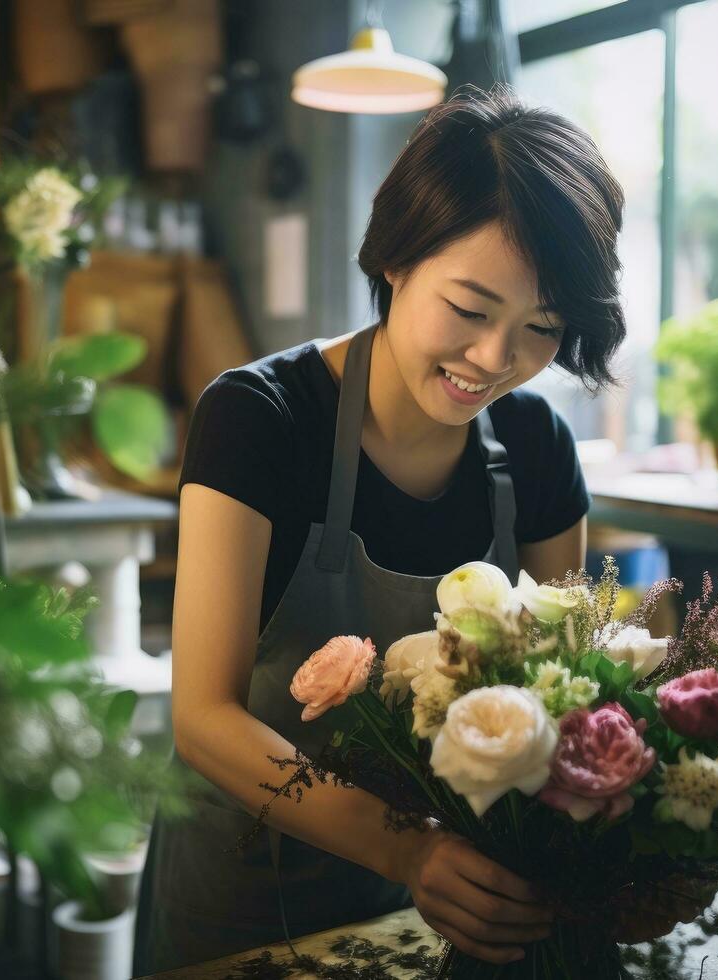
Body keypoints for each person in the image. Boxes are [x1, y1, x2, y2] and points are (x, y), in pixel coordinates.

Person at [134, 85, 663, 975]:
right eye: (469, 308)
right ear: (395, 259)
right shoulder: (259, 420)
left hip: (443, 910)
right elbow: (204, 718)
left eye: (539, 328)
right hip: (245, 903)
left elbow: (561, 696)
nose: (494, 360)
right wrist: (406, 850)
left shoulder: (536, 451)